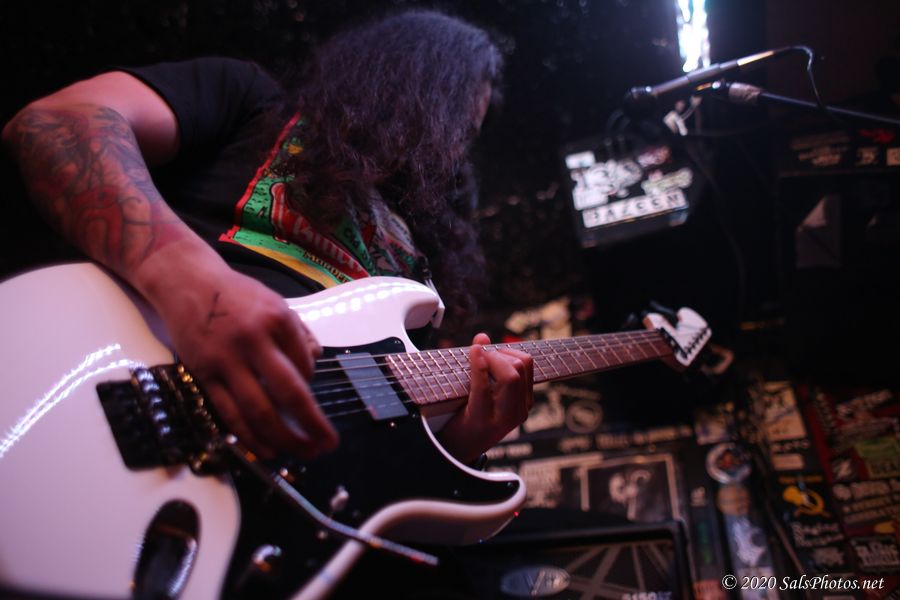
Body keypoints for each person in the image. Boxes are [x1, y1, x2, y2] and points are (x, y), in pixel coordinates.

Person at [1, 10, 533, 466]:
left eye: (467, 135)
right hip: (116, 387)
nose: (453, 148)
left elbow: (385, 458)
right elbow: (57, 123)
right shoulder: (253, 101)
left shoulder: (421, 258)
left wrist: (465, 438)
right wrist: (197, 286)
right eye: (452, 117)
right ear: (406, 78)